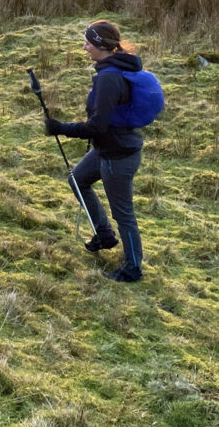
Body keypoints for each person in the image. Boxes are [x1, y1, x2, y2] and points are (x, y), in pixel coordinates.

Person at [44, 20, 146, 282]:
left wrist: (60, 127)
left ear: (101, 45)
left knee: (123, 213)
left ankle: (132, 268)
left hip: (117, 155)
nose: (84, 46)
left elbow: (97, 126)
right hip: (108, 148)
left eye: (88, 42)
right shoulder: (110, 70)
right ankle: (104, 234)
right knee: (77, 180)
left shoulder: (109, 78)